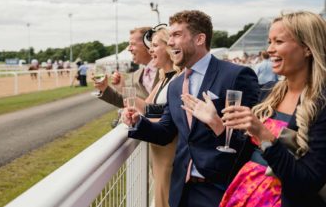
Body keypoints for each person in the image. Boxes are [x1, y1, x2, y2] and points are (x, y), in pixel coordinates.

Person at [123, 10, 260, 207]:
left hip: (220, 191)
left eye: (177, 35)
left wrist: (216, 123)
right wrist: (138, 122)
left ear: (199, 39)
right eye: (170, 36)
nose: (170, 42)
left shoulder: (236, 75)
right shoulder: (176, 85)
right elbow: (165, 132)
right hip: (182, 191)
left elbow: (252, 142)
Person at [220, 11, 326, 207]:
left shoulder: (321, 104)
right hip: (243, 192)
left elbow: (308, 181)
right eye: (270, 42)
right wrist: (215, 123)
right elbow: (244, 150)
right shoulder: (267, 91)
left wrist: (263, 134)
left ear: (307, 48)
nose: (269, 49)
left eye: (278, 42)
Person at [137, 24, 181, 207]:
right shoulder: (165, 78)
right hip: (159, 153)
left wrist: (130, 102)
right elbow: (148, 107)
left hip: (170, 152)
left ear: (169, 47)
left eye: (155, 45)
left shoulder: (179, 79)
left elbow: (160, 112)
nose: (150, 50)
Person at [94, 27, 159, 108]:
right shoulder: (135, 76)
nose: (129, 49)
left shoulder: (168, 70)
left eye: (132, 44)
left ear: (148, 44)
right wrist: (105, 88)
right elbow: (130, 103)